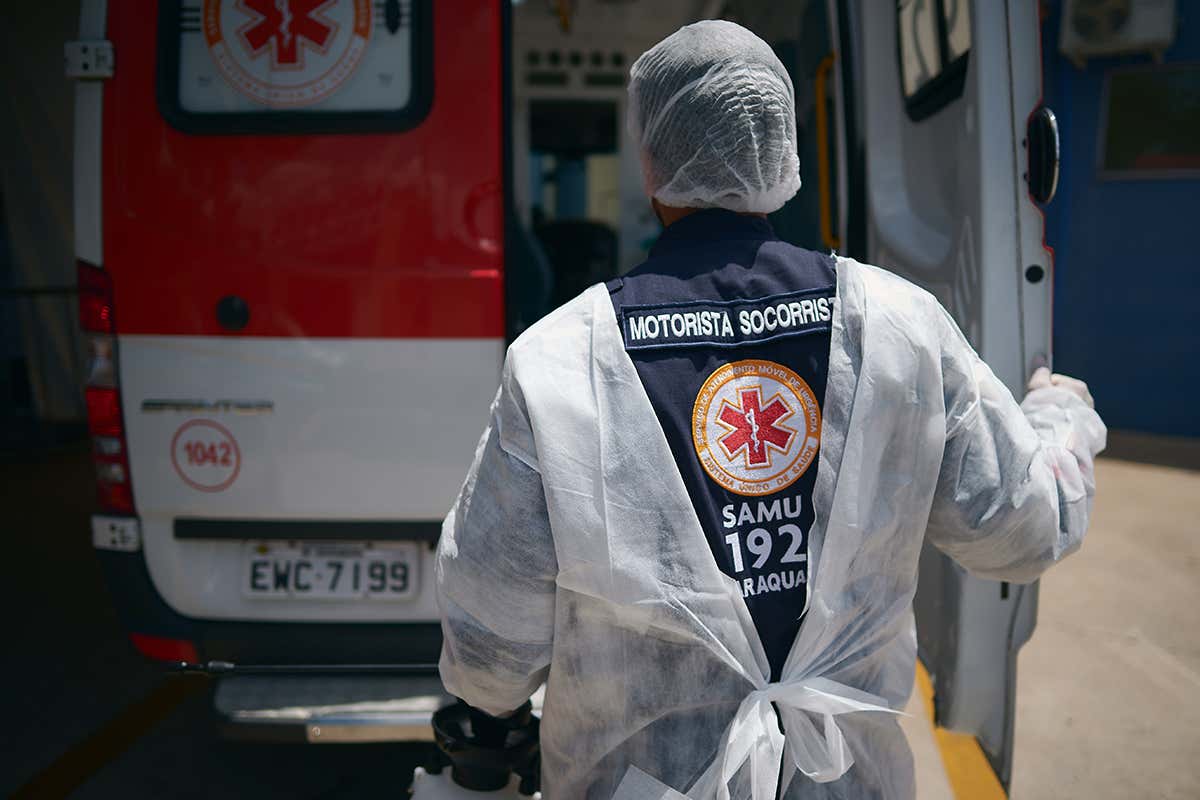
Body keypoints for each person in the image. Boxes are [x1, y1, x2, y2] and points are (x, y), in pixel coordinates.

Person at [435, 20, 1105, 800]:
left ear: (651, 162)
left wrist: (491, 714)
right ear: (781, 155)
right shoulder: (897, 325)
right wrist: (1059, 417)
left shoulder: (561, 357)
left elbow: (491, 643)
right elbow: (1018, 523)